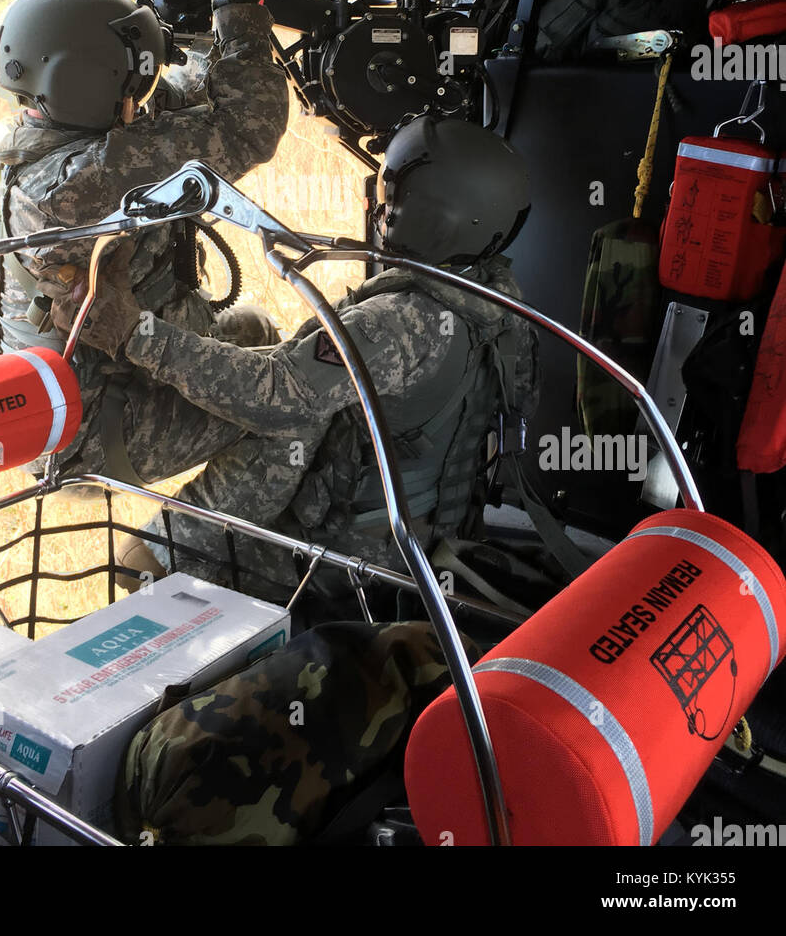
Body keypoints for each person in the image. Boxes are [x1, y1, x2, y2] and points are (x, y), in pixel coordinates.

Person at [116, 114, 539, 602]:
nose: (381, 212)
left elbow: (272, 394)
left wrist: (136, 333)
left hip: (349, 567)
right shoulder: (502, 307)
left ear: (429, 216)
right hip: (433, 541)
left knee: (137, 562)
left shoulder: (400, 321)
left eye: (392, 201)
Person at [0, 0, 290, 484]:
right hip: (97, 430)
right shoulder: (81, 185)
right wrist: (242, 8)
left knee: (253, 331)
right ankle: (179, 545)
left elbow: (177, 114)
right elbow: (247, 128)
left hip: (83, 397)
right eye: (128, 85)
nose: (137, 98)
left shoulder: (51, 138)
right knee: (292, 402)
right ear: (88, 81)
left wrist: (205, 31)